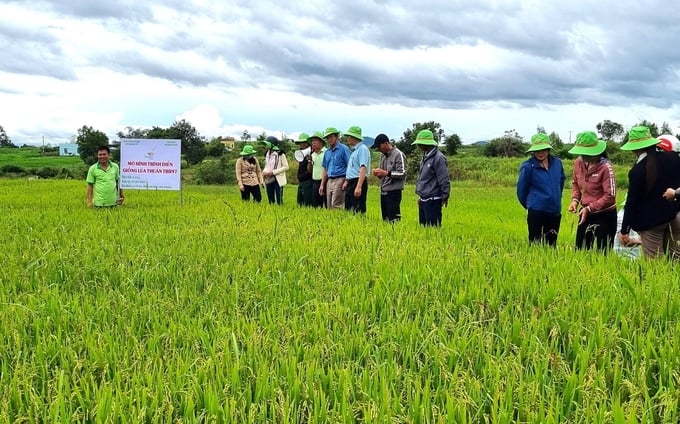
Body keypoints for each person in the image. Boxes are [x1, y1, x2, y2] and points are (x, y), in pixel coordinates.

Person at [618, 126, 680, 259]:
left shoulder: (637, 171)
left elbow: (632, 202)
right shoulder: (672, 158)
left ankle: (660, 280)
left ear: (634, 148)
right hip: (674, 215)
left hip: (651, 223)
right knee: (676, 259)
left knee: (655, 264)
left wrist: (625, 230)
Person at [567, 131, 617, 251]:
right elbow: (575, 184)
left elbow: (610, 196)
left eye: (587, 153)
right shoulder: (578, 163)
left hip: (605, 214)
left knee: (603, 252)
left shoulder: (606, 168)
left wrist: (589, 208)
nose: (584, 156)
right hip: (585, 213)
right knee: (581, 249)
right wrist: (575, 200)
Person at [516, 133, 565, 246]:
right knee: (535, 244)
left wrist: (556, 197)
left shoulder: (557, 163)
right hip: (536, 210)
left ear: (548, 149)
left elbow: (561, 181)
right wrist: (531, 204)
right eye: (537, 150)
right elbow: (521, 190)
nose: (540, 153)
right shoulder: (528, 166)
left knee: (551, 244)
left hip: (554, 210)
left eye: (543, 150)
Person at [413, 129, 450, 227]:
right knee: (424, 229)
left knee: (433, 229)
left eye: (420, 143)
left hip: (433, 200)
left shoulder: (439, 158)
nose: (418, 146)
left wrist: (445, 197)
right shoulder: (425, 157)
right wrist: (421, 196)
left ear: (426, 144)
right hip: (424, 200)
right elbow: (423, 178)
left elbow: (444, 179)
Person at [371, 133, 406, 222]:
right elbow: (383, 173)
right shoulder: (383, 155)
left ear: (386, 143)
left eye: (379, 147)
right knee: (385, 220)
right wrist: (378, 173)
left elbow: (402, 173)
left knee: (394, 220)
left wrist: (386, 173)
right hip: (383, 191)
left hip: (394, 192)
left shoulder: (398, 154)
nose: (378, 149)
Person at [319, 127, 351, 210]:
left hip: (340, 178)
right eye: (328, 138)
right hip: (329, 180)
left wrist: (346, 181)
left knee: (336, 205)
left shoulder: (344, 149)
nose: (329, 139)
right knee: (329, 205)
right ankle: (331, 222)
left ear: (336, 137)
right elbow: (325, 169)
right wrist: (322, 184)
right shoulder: (327, 152)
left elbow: (350, 166)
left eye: (331, 137)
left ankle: (338, 222)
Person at [343, 126, 370, 213]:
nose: (348, 139)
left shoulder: (362, 149)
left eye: (349, 136)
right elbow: (352, 168)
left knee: (358, 208)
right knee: (349, 208)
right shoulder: (354, 151)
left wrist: (358, 186)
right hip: (351, 182)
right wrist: (347, 181)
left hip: (357, 181)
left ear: (355, 137)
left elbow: (363, 167)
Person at [262, 136, 289, 205]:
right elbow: (267, 165)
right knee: (270, 199)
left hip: (278, 178)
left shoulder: (280, 154)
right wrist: (264, 172)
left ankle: (280, 212)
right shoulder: (267, 154)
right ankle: (272, 212)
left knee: (279, 198)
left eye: (267, 144)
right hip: (268, 178)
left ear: (272, 144)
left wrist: (273, 172)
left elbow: (286, 167)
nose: (266, 146)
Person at [613, 195, 641, 259]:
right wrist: (644, 242)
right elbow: (624, 240)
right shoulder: (622, 217)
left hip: (634, 256)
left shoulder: (635, 216)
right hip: (623, 256)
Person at [294, 133, 313, 207]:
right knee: (300, 202)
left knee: (307, 203)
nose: (300, 145)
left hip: (308, 181)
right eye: (300, 143)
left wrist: (309, 160)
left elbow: (310, 170)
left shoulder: (311, 153)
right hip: (301, 181)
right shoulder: (301, 153)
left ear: (307, 143)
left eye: (302, 143)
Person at [308, 131, 327, 208]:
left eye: (315, 141)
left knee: (326, 203)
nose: (313, 143)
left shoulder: (327, 152)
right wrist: (309, 161)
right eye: (312, 141)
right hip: (315, 182)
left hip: (325, 181)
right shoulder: (312, 155)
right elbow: (310, 171)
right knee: (315, 205)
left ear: (321, 142)